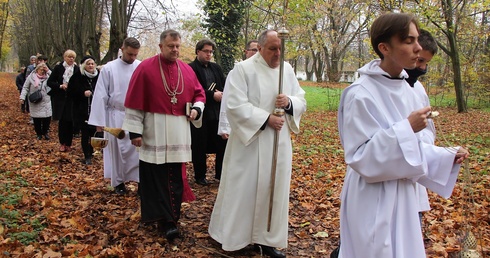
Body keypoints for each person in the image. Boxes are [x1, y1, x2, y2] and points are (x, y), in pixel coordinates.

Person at [336, 13, 469, 258]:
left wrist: (446, 156)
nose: (418, 48)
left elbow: (417, 146)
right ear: (384, 47)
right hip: (372, 197)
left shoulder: (414, 90)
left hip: (405, 195)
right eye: (408, 41)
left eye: (417, 40)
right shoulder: (360, 94)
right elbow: (360, 157)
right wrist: (406, 128)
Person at [208, 30, 307, 258]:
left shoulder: (287, 70)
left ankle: (268, 239)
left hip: (278, 142)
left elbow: (301, 99)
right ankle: (236, 237)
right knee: (244, 190)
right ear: (260, 48)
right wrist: (265, 118)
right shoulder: (243, 70)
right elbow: (234, 105)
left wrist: (289, 102)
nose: (278, 54)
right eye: (273, 48)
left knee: (274, 189)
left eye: (281, 49)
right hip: (249, 143)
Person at [122, 29, 206, 241]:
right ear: (161, 46)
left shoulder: (186, 70)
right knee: (155, 175)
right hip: (154, 130)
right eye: (171, 46)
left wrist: (196, 109)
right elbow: (134, 100)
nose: (175, 49)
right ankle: (160, 217)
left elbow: (199, 93)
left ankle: (172, 218)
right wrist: (135, 132)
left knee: (175, 176)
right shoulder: (145, 68)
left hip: (178, 131)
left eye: (178, 46)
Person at [88, 37, 141, 195]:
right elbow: (100, 95)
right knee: (116, 149)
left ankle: (140, 182)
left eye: (135, 55)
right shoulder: (109, 68)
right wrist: (99, 121)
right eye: (130, 54)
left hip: (136, 114)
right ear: (122, 49)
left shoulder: (140, 66)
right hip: (115, 113)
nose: (132, 58)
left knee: (137, 149)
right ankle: (118, 182)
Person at [404, 28, 439, 231]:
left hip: (414, 174)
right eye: (420, 61)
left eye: (426, 63)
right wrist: (407, 129)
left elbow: (429, 131)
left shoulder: (418, 88)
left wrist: (446, 155)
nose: (422, 68)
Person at [188, 38, 227, 184]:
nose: (209, 54)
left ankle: (220, 174)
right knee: (200, 145)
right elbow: (192, 89)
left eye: (211, 52)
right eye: (206, 51)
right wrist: (212, 95)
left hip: (217, 112)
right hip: (200, 114)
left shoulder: (215, 67)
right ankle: (200, 176)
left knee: (221, 143)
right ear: (198, 51)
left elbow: (223, 85)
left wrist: (221, 93)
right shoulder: (191, 68)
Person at [218, 39, 258, 139]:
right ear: (246, 52)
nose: (256, 53)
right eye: (253, 50)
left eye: (258, 50)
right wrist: (225, 127)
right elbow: (227, 98)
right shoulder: (236, 72)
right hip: (239, 122)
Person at [67, 55, 99, 165]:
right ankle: (87, 155)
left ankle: (93, 151)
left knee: (94, 132)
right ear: (84, 65)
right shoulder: (77, 77)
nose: (90, 66)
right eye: (88, 64)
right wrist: (82, 93)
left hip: (96, 110)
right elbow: (70, 93)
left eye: (92, 64)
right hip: (81, 110)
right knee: (85, 133)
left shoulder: (99, 76)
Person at [47, 49, 79, 152]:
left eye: (73, 57)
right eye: (69, 57)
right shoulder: (58, 68)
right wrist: (60, 86)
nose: (71, 59)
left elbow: (79, 83)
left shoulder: (77, 69)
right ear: (65, 57)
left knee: (70, 121)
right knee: (62, 122)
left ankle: (69, 143)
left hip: (71, 99)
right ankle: (62, 143)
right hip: (60, 98)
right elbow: (50, 82)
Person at [19, 63, 52, 140]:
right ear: (37, 70)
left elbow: (56, 78)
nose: (43, 71)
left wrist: (48, 71)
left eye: (44, 70)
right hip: (35, 101)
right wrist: (22, 98)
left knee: (47, 118)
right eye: (41, 70)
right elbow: (25, 88)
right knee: (37, 119)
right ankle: (39, 133)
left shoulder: (48, 76)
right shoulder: (31, 77)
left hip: (46, 100)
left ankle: (45, 132)